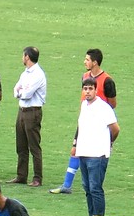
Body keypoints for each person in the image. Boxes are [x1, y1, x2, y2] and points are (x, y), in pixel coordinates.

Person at [49, 48, 117, 195]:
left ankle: (85, 187)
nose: (84, 62)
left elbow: (112, 105)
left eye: (87, 59)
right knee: (75, 149)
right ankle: (67, 185)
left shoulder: (107, 81)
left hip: (99, 123)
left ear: (95, 62)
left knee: (90, 157)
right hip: (85, 119)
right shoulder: (85, 76)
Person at [72, 78, 120, 216]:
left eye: (90, 89)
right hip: (84, 153)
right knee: (87, 189)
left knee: (95, 189)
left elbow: (115, 129)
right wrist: (76, 144)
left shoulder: (104, 107)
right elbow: (81, 126)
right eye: (85, 88)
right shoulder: (84, 105)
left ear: (95, 89)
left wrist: (108, 143)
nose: (87, 91)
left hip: (97, 154)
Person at [8, 46, 46, 187]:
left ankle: (37, 178)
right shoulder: (26, 73)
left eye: (23, 55)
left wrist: (20, 92)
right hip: (22, 110)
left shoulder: (38, 74)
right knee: (21, 145)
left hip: (32, 112)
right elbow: (16, 89)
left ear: (27, 57)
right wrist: (20, 91)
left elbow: (27, 93)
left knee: (34, 146)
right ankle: (21, 175)